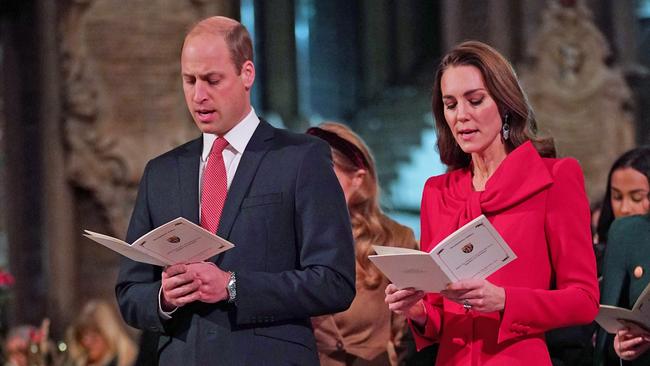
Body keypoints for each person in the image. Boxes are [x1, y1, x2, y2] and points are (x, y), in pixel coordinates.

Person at [115, 16, 355, 366]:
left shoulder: (300, 158)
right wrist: (164, 298)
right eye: (189, 80)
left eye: (212, 80)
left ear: (247, 74)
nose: (199, 95)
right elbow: (130, 293)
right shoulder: (161, 173)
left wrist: (233, 285)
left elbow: (334, 281)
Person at [383, 40, 599, 365]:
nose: (462, 116)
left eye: (475, 100)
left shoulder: (554, 178)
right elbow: (440, 317)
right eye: (450, 104)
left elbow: (584, 300)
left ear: (505, 103)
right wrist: (417, 311)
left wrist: (506, 300)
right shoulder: (437, 191)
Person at [306, 122, 419, 365]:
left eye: (324, 174)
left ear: (357, 179)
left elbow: (411, 335)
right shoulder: (281, 237)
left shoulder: (395, 240)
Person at [593, 146, 650, 365]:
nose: (625, 208)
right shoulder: (615, 242)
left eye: (637, 198)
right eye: (617, 197)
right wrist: (619, 343)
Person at [64, 300, 137, 366]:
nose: (86, 342)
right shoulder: (76, 361)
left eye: (94, 336)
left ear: (109, 334)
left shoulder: (133, 360)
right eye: (82, 335)